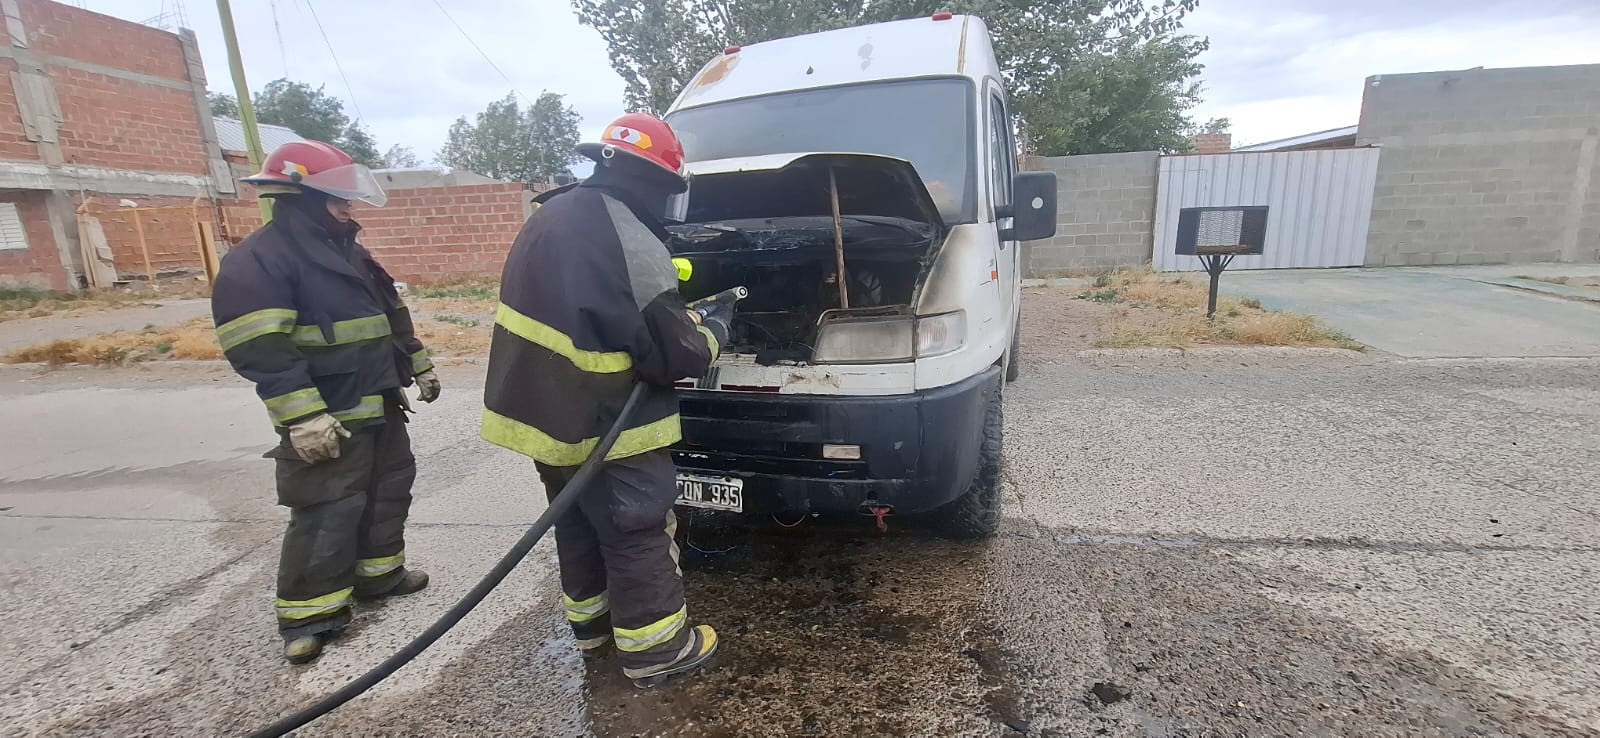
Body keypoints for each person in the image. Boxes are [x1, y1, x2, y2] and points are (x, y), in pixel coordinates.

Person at [481, 114, 733, 687]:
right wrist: (714, 327)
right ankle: (659, 650)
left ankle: (594, 632)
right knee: (635, 525)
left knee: (578, 520)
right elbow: (674, 357)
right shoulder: (631, 239)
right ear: (655, 184)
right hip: (609, 418)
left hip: (546, 412)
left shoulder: (554, 216)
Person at [211, 140, 443, 664]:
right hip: (326, 412)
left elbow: (390, 314)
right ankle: (308, 616)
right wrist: (303, 416)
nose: (348, 207)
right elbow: (260, 350)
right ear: (299, 196)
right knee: (326, 509)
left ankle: (378, 575)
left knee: (389, 487)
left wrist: (419, 362)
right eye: (336, 197)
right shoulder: (260, 261)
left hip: (379, 398)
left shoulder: (347, 251)